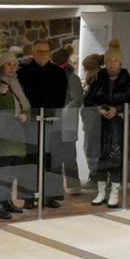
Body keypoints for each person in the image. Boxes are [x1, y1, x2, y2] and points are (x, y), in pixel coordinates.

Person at [85, 39, 130, 208]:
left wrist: (118, 110)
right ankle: (101, 192)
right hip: (100, 126)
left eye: (115, 60)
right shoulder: (98, 80)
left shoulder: (128, 81)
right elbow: (88, 101)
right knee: (101, 158)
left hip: (119, 126)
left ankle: (114, 193)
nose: (111, 64)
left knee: (117, 159)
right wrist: (99, 109)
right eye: (108, 60)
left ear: (120, 63)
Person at [17, 39, 68, 209]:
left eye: (46, 51)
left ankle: (51, 195)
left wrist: (52, 113)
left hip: (51, 121)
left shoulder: (58, 73)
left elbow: (62, 97)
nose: (43, 54)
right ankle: (28, 196)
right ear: (33, 52)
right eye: (39, 51)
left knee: (52, 159)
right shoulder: (24, 73)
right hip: (30, 122)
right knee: (30, 158)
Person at [0, 51, 30, 220]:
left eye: (14, 64)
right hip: (1, 135)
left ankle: (6, 201)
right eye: (9, 64)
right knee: (2, 171)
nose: (12, 67)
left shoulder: (16, 83)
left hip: (17, 133)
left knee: (12, 171)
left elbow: (25, 105)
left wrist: (26, 116)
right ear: (2, 66)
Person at [51, 46, 83, 195]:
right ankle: (56, 186)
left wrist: (64, 111)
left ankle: (73, 185)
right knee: (56, 156)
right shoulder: (57, 76)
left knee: (69, 156)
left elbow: (77, 99)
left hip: (67, 122)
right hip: (56, 122)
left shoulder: (72, 78)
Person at [80, 53, 104, 189]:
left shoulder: (95, 81)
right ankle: (96, 176)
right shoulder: (95, 80)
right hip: (92, 120)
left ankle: (95, 177)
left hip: (93, 121)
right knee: (92, 148)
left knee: (91, 149)